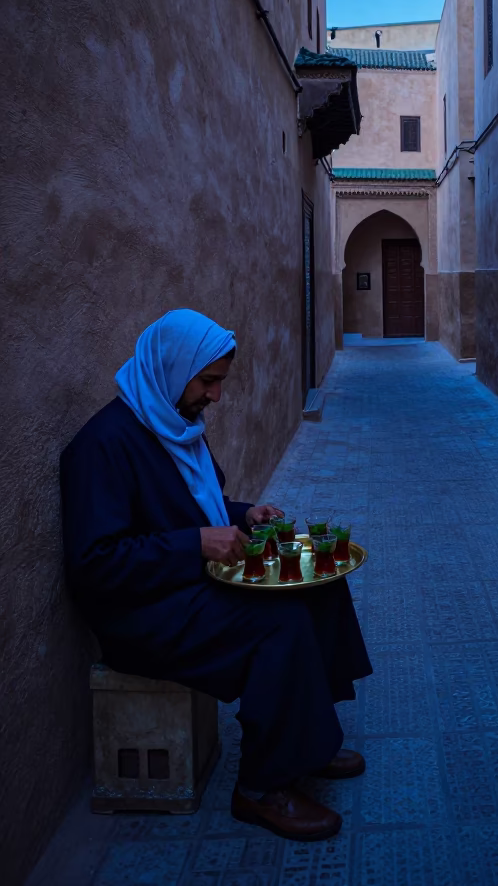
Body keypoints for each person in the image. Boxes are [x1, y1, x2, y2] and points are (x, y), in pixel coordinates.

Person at [60, 309, 372, 841]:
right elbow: (95, 564)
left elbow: (192, 508)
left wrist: (241, 514)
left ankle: (309, 741)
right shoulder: (102, 446)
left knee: (319, 580)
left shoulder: (173, 425)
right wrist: (196, 544)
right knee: (278, 622)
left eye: (219, 382)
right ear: (171, 368)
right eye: (208, 381)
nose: (216, 396)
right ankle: (260, 788)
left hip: (183, 582)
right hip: (141, 615)